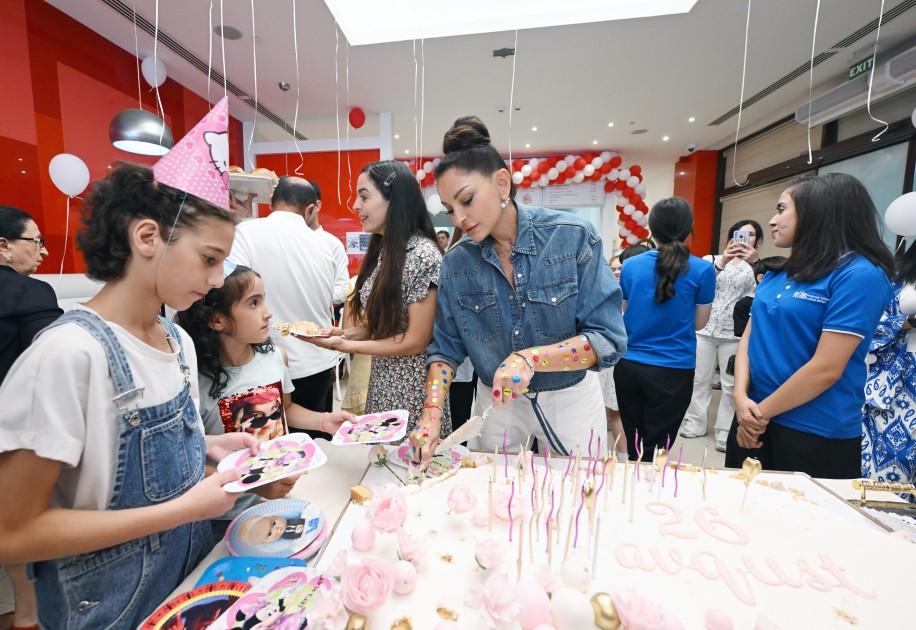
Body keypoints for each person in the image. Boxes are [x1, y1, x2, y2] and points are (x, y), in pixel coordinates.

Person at [0, 162, 258, 629]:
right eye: (209, 258)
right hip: (110, 610)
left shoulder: (177, 341)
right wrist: (183, 510)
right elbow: (12, 532)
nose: (219, 278)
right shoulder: (67, 356)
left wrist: (207, 448)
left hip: (190, 587)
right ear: (147, 238)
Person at [409, 115, 626, 467]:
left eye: (467, 200)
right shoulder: (457, 263)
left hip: (569, 397)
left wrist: (531, 358)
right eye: (450, 210)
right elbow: (446, 348)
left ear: (501, 183)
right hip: (496, 404)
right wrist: (432, 411)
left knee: (574, 496)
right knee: (492, 495)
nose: (460, 218)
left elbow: (607, 339)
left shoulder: (571, 236)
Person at [728, 173, 894, 479]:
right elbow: (749, 339)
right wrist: (740, 399)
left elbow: (826, 368)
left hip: (812, 429)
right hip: (751, 418)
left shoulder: (859, 275)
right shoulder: (778, 271)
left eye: (781, 209)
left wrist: (757, 416)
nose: (772, 221)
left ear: (817, 211)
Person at [176, 264, 353, 538]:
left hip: (282, 497)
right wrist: (252, 485)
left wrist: (323, 420)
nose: (268, 311)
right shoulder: (194, 381)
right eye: (254, 303)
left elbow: (287, 409)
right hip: (225, 516)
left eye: (264, 299)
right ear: (217, 320)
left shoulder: (275, 357)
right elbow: (192, 459)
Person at [303, 160, 447, 435]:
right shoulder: (385, 250)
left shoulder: (423, 255)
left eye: (364, 196)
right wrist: (345, 334)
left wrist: (351, 347)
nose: (356, 206)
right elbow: (388, 325)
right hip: (381, 382)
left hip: (412, 388)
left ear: (394, 200)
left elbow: (415, 340)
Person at [615, 197, 716, 460]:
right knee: (657, 448)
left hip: (630, 366)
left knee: (634, 439)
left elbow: (625, 311)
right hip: (674, 370)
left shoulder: (631, 265)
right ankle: (649, 490)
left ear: (652, 227)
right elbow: (700, 323)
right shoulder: (704, 269)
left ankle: (632, 488)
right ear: (689, 227)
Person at [0, 206, 62, 630]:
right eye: (35, 241)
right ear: (4, 246)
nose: (41, 252)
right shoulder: (30, 294)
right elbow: (52, 370)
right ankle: (26, 616)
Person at [229, 176, 339, 416]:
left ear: (271, 201)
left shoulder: (246, 232)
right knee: (315, 442)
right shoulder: (324, 245)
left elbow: (231, 289)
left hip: (265, 362)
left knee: (269, 444)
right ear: (310, 209)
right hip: (317, 361)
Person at [680, 219, 763, 452]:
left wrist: (755, 262)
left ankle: (725, 432)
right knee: (699, 379)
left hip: (735, 333)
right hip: (705, 329)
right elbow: (701, 285)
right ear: (731, 236)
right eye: (741, 234)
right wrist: (724, 260)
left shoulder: (758, 267)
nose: (745, 238)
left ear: (757, 240)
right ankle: (695, 423)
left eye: (752, 235)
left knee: (730, 385)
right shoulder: (711, 260)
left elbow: (764, 290)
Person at [862, 242, 916, 500]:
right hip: (899, 372)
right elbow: (874, 319)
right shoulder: (898, 278)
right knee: (893, 451)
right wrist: (907, 322)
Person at [304, 179, 350, 305]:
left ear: (317, 206)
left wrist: (308, 299)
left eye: (301, 205)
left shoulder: (332, 244)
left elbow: (343, 289)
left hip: (319, 321)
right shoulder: (285, 241)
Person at [599, 254, 627, 458]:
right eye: (613, 268)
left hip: (621, 360)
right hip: (600, 359)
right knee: (596, 409)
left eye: (620, 268)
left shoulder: (634, 293)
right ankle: (596, 454)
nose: (616, 271)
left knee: (615, 411)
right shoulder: (602, 290)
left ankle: (623, 456)